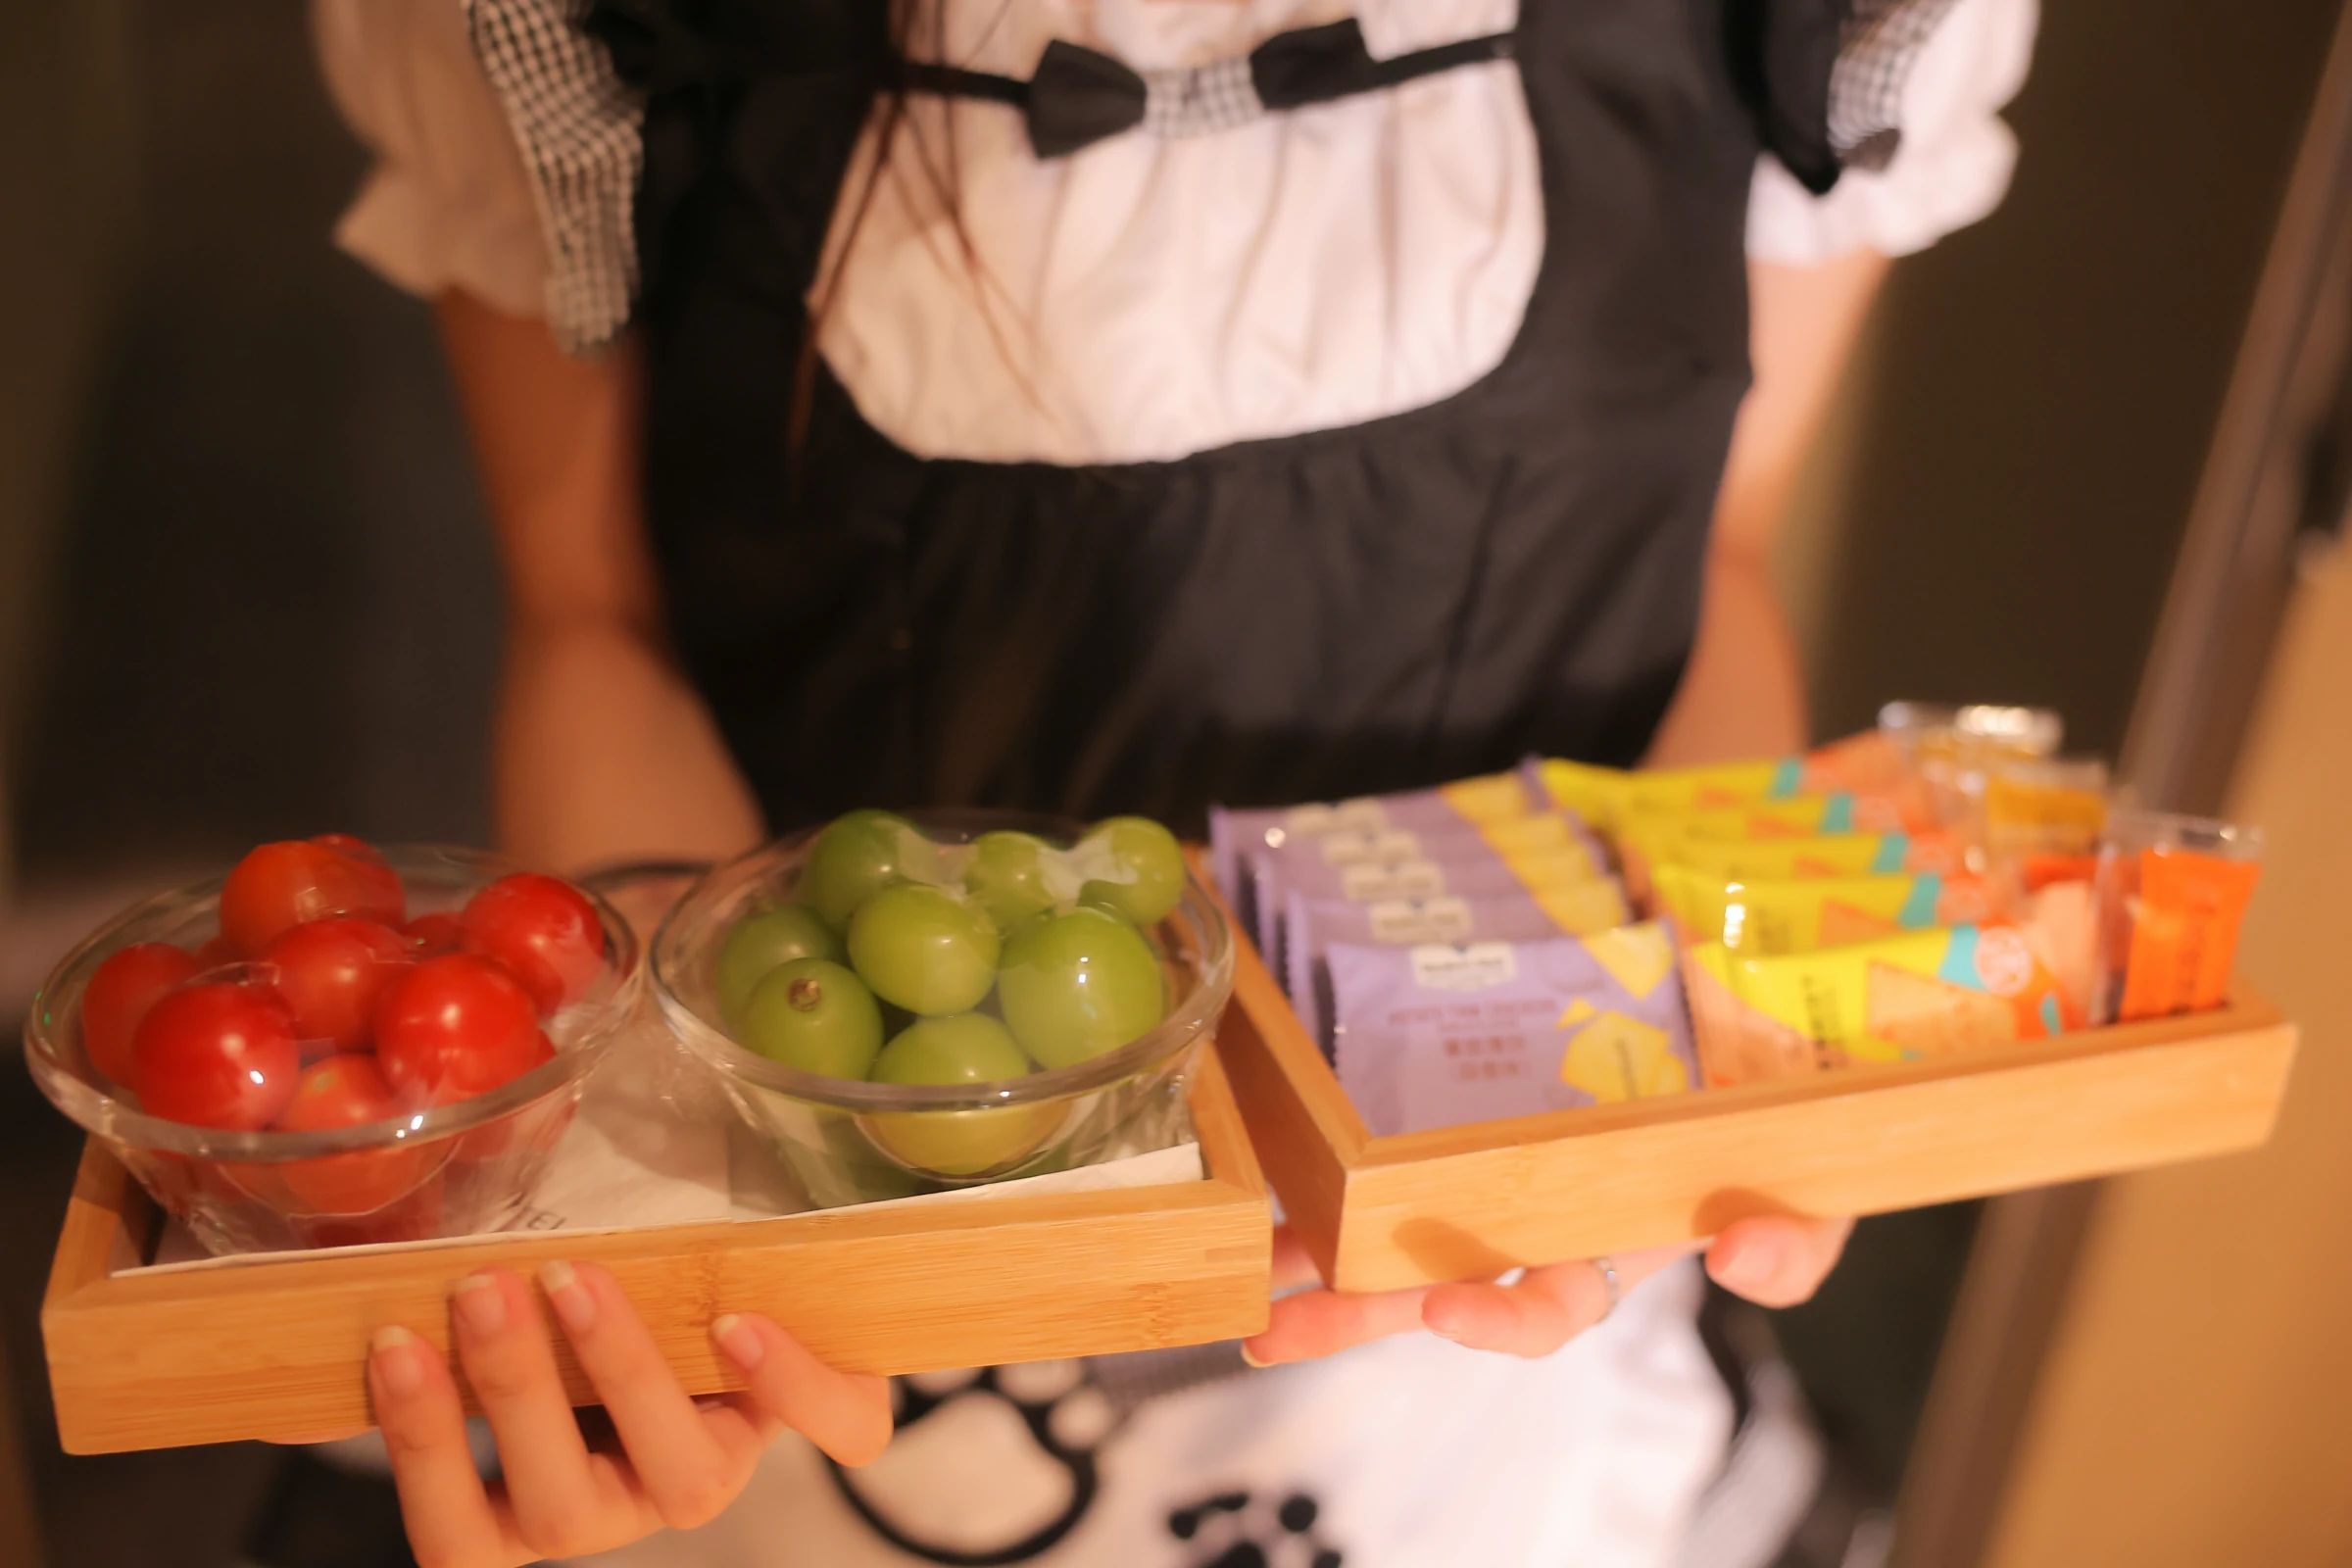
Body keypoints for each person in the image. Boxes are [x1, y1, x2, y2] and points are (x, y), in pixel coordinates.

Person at [308, 0, 2035, 1563]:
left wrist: (1699, 1082)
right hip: (836, 1300)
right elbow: (598, 619)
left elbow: (1711, 567)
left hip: (1489, 1348)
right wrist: (666, 1205)